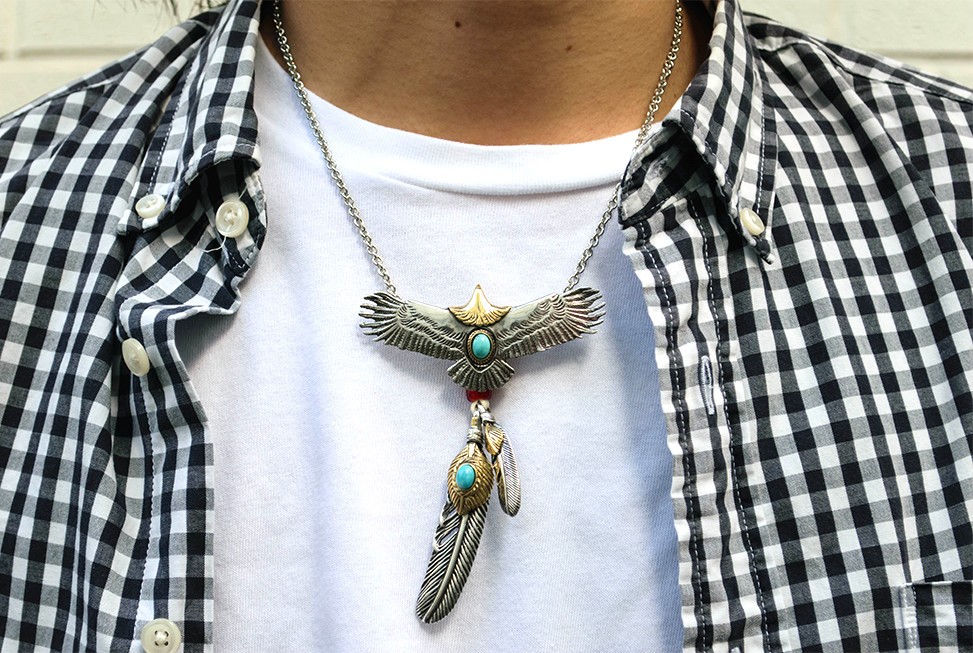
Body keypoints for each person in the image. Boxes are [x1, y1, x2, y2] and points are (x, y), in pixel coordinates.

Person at [1, 0, 970, 651]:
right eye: (469, 329)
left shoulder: (947, 204)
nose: (475, 328)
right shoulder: (24, 224)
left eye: (474, 330)